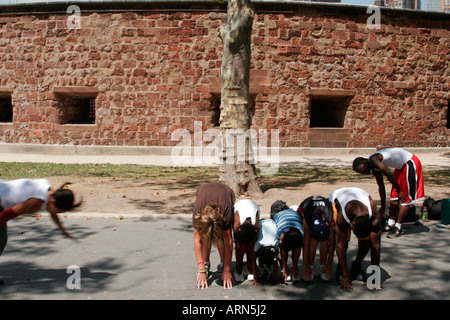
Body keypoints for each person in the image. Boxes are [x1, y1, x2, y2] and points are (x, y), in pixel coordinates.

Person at [0, 179, 82, 284]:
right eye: (60, 211)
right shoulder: (35, 203)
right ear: (53, 202)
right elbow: (6, 215)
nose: (58, 213)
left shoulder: (47, 188)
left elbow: (52, 212)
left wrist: (63, 230)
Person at [352, 146, 425, 238]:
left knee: (404, 198)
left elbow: (389, 174)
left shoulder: (373, 160)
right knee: (394, 197)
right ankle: (391, 223)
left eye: (360, 169)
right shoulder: (374, 169)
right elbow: (381, 187)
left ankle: (398, 226)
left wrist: (400, 190)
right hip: (400, 167)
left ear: (362, 163)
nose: (362, 173)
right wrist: (382, 206)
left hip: (409, 163)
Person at [329, 187, 382, 291]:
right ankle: (342, 267)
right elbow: (339, 244)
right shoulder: (342, 218)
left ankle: (356, 265)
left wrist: (375, 277)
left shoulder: (375, 218)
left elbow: (376, 246)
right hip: (338, 198)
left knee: (367, 241)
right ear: (353, 224)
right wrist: (345, 276)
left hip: (360, 195)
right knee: (344, 240)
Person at [192, 182, 235, 290]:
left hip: (226, 192)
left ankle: (223, 262)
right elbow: (197, 241)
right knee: (205, 235)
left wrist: (227, 269)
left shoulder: (226, 214)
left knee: (220, 236)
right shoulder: (197, 214)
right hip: (203, 190)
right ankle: (206, 263)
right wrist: (201, 269)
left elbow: (228, 241)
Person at [298, 195, 334, 282]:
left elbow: (332, 243)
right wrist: (305, 267)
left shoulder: (330, 219)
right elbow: (305, 245)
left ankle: (322, 266)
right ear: (310, 231)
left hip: (323, 208)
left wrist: (329, 265)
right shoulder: (306, 221)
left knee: (325, 243)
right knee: (311, 243)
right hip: (306, 207)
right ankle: (310, 266)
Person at [271, 200, 303, 282]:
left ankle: (294, 267)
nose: (280, 241)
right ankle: (284, 268)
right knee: (283, 247)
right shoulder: (279, 231)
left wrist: (294, 267)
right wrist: (283, 268)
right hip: (280, 216)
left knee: (296, 246)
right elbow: (282, 248)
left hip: (294, 218)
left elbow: (297, 246)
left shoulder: (301, 233)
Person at [232, 199, 260, 285]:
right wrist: (239, 267)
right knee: (240, 247)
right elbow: (238, 245)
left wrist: (252, 270)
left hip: (253, 206)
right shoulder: (237, 224)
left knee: (250, 248)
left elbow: (252, 246)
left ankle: (250, 269)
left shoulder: (256, 225)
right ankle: (239, 271)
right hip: (240, 207)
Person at [253, 218, 281, 285]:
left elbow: (275, 260)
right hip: (265, 223)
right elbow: (252, 259)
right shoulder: (259, 244)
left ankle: (262, 267)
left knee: (273, 258)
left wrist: (275, 276)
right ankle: (262, 268)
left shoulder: (274, 243)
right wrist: (256, 278)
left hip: (270, 223)